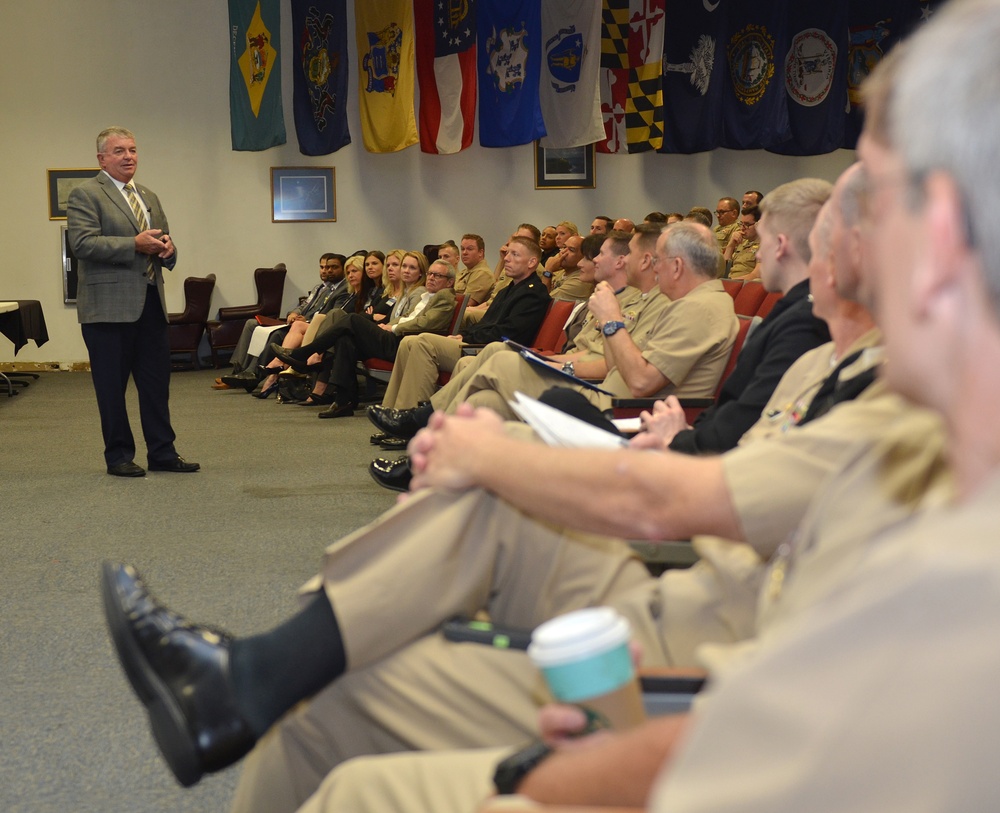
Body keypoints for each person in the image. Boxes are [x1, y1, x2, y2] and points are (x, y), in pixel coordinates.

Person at [369, 222, 737, 446]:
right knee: (486, 405)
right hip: (606, 397)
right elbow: (623, 363)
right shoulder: (688, 303)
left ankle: (422, 424)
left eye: (656, 261)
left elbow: (639, 382)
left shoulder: (699, 308)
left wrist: (611, 321)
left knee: (500, 361)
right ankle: (428, 463)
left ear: (676, 265)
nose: (651, 268)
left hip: (618, 411)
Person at [66, 126, 198, 477]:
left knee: (157, 386)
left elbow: (163, 239)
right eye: (120, 151)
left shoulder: (148, 196)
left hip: (151, 305)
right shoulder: (86, 194)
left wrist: (169, 251)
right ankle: (119, 456)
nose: (129, 157)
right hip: (107, 309)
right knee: (111, 389)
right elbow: (81, 244)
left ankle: (163, 453)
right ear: (102, 159)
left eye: (133, 150)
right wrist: (133, 245)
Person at [376, 236, 550, 412]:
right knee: (408, 342)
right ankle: (391, 409)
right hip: (479, 342)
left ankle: (411, 415)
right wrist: (465, 335)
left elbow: (509, 333)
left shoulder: (533, 293)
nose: (506, 258)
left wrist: (468, 336)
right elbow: (486, 323)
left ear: (532, 262)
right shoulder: (508, 290)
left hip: (490, 349)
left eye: (515, 254)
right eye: (508, 254)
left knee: (422, 342)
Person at [271, 260, 458, 418]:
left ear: (449, 282)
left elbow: (427, 323)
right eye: (431, 273)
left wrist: (392, 327)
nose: (431, 277)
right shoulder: (426, 295)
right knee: (346, 338)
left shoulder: (445, 297)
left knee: (351, 319)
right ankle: (344, 400)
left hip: (407, 343)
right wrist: (388, 325)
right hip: (396, 336)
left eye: (437, 276)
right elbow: (408, 316)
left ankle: (304, 353)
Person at [220, 254, 348, 391]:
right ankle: (239, 370)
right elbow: (305, 304)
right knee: (252, 324)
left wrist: (306, 320)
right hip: (300, 321)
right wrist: (294, 313)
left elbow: (331, 314)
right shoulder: (321, 288)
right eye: (323, 267)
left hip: (309, 325)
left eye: (332, 267)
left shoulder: (341, 289)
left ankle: (253, 374)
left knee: (275, 335)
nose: (326, 271)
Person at [723, 204, 761, 279]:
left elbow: (756, 275)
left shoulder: (764, 246)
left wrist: (731, 282)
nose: (742, 228)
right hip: (731, 282)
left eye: (747, 224)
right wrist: (731, 245)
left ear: (758, 225)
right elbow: (723, 270)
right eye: (741, 224)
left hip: (745, 286)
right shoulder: (742, 242)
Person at [455, 234, 494, 306]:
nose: (464, 253)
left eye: (469, 249)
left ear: (480, 252)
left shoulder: (482, 273)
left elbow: (466, 304)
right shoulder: (464, 272)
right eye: (462, 249)